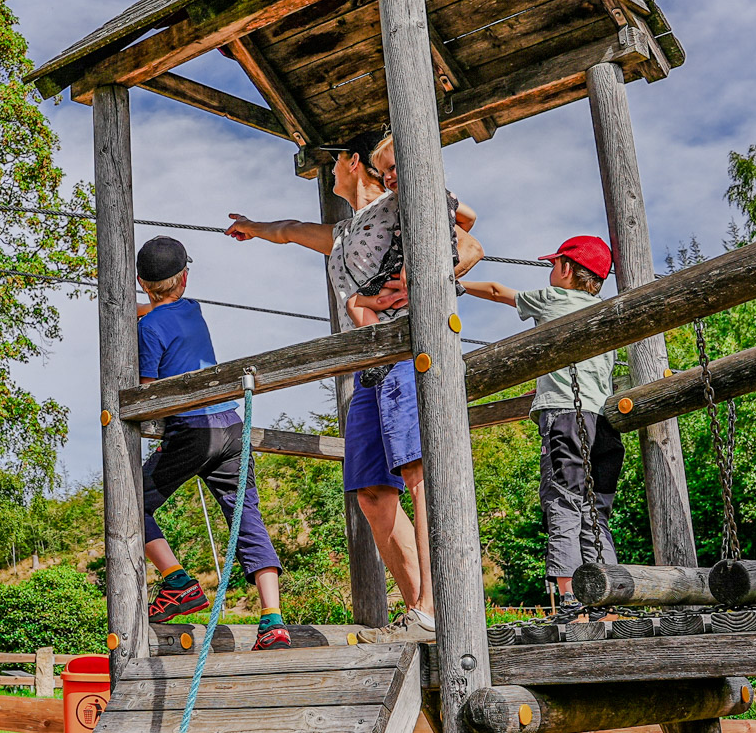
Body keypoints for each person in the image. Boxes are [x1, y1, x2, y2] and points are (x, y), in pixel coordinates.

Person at [224, 130, 482, 643]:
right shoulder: (343, 233)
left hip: (412, 351)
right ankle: (421, 614)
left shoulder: (398, 204)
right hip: (368, 366)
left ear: (352, 162)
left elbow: (470, 242)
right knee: (372, 493)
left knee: (417, 472)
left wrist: (424, 279)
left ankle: (438, 607)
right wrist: (252, 226)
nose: (329, 172)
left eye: (333, 163)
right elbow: (292, 229)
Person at [132, 235, 289, 651]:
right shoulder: (193, 310)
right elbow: (165, 310)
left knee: (129, 503)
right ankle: (272, 620)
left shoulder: (147, 328)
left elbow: (148, 394)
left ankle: (177, 581)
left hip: (193, 430)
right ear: (184, 278)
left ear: (142, 283)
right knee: (246, 517)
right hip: (232, 430)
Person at [463, 236, 622, 606]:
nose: (551, 270)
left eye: (553, 264)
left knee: (563, 500)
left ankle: (568, 598)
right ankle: (607, 600)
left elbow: (497, 290)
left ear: (567, 268)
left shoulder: (553, 299)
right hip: (605, 424)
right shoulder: (604, 311)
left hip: (566, 417)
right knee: (595, 511)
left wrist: (455, 284)